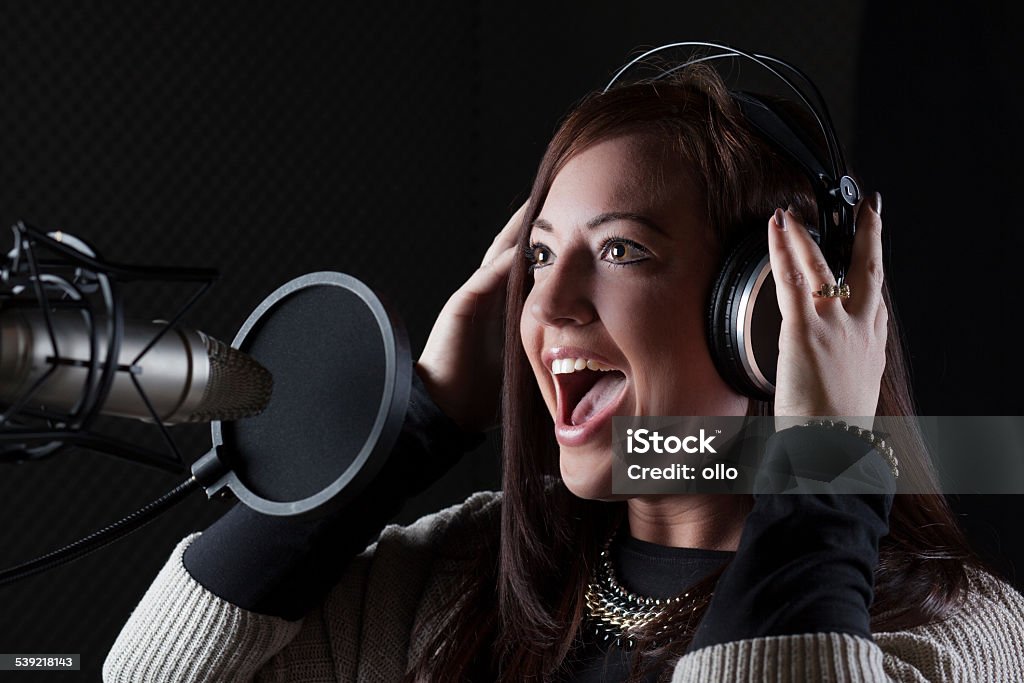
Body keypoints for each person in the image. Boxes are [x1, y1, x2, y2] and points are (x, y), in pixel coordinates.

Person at [103, 61, 1024, 682]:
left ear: (765, 313)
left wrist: (824, 461)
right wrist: (413, 423)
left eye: (621, 252)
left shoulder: (964, 631)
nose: (546, 310)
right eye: (540, 259)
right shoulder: (463, 568)